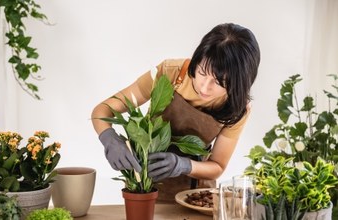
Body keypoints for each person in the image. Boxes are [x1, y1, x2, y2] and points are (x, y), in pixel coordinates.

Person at [91, 23, 260, 202]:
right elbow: (103, 109)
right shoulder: (170, 73)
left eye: (219, 82)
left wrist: (183, 165)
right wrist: (109, 138)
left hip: (195, 195)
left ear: (239, 83)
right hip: (146, 188)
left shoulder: (237, 109)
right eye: (202, 72)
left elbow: (217, 165)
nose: (204, 86)